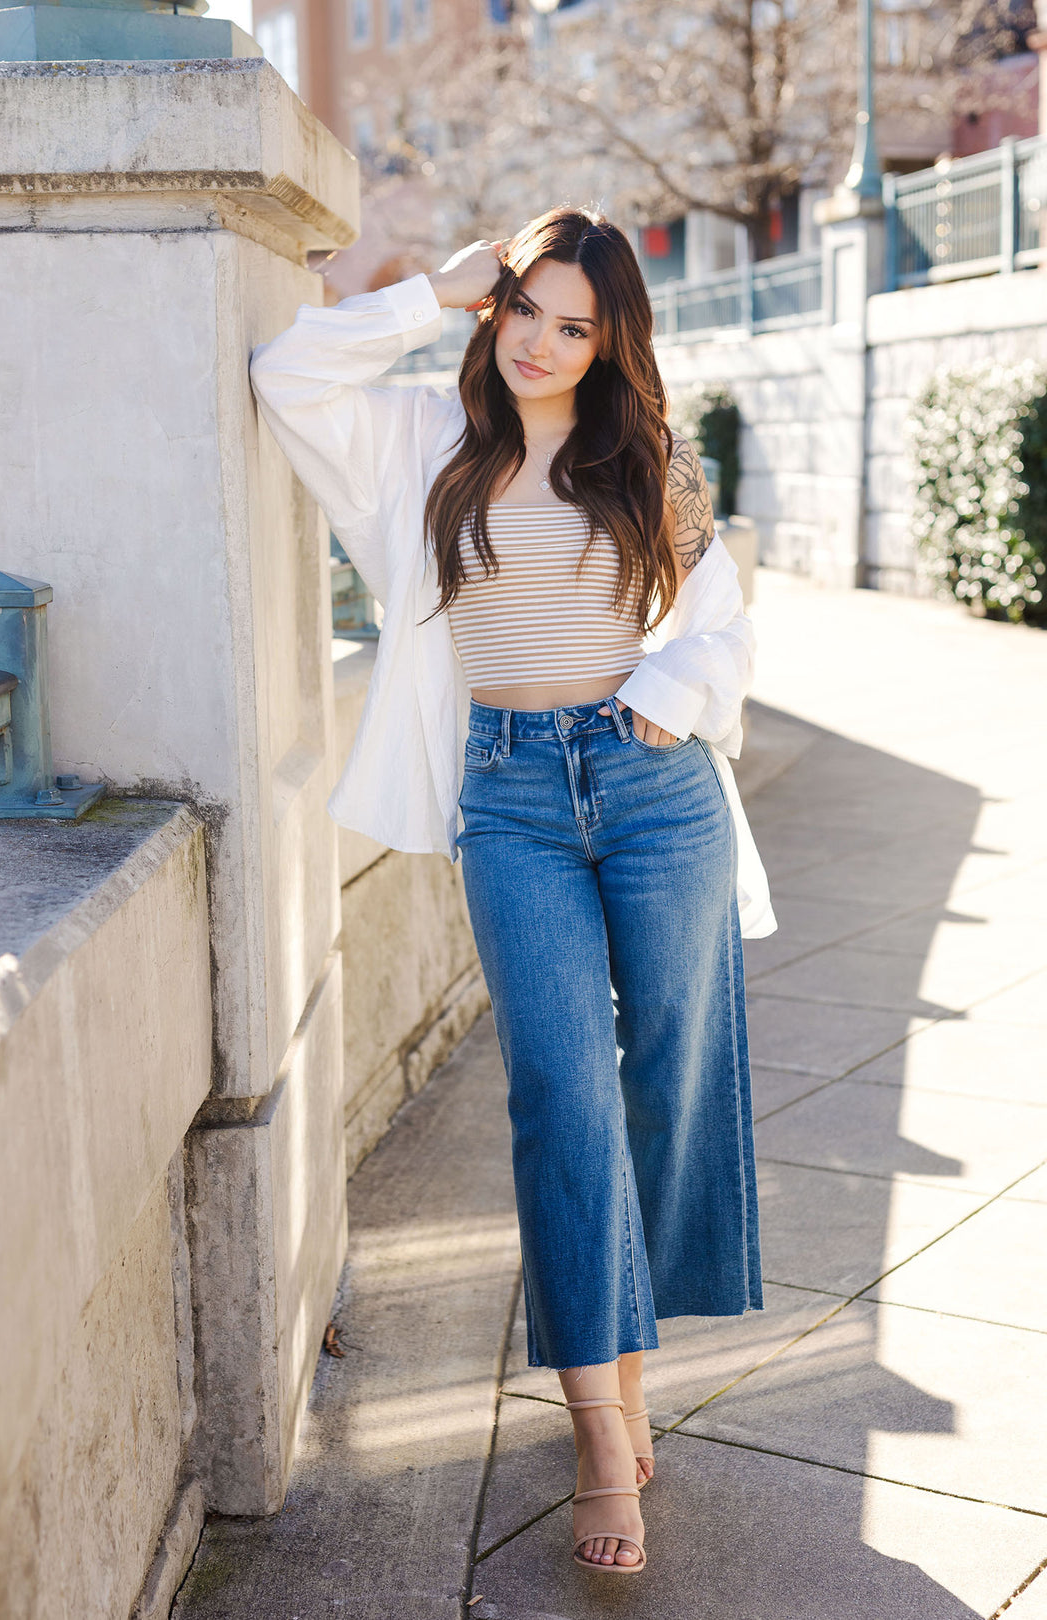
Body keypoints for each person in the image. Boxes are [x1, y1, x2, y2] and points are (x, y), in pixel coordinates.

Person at [250, 206, 776, 1577]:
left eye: (573, 324)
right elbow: (285, 377)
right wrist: (432, 288)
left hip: (653, 787)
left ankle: (629, 1357)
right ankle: (601, 1428)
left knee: (670, 1073)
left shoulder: (641, 456)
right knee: (560, 1093)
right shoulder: (426, 433)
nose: (541, 343)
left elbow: (721, 623)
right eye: (524, 310)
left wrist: (664, 699)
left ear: (612, 342)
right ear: (498, 308)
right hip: (513, 800)